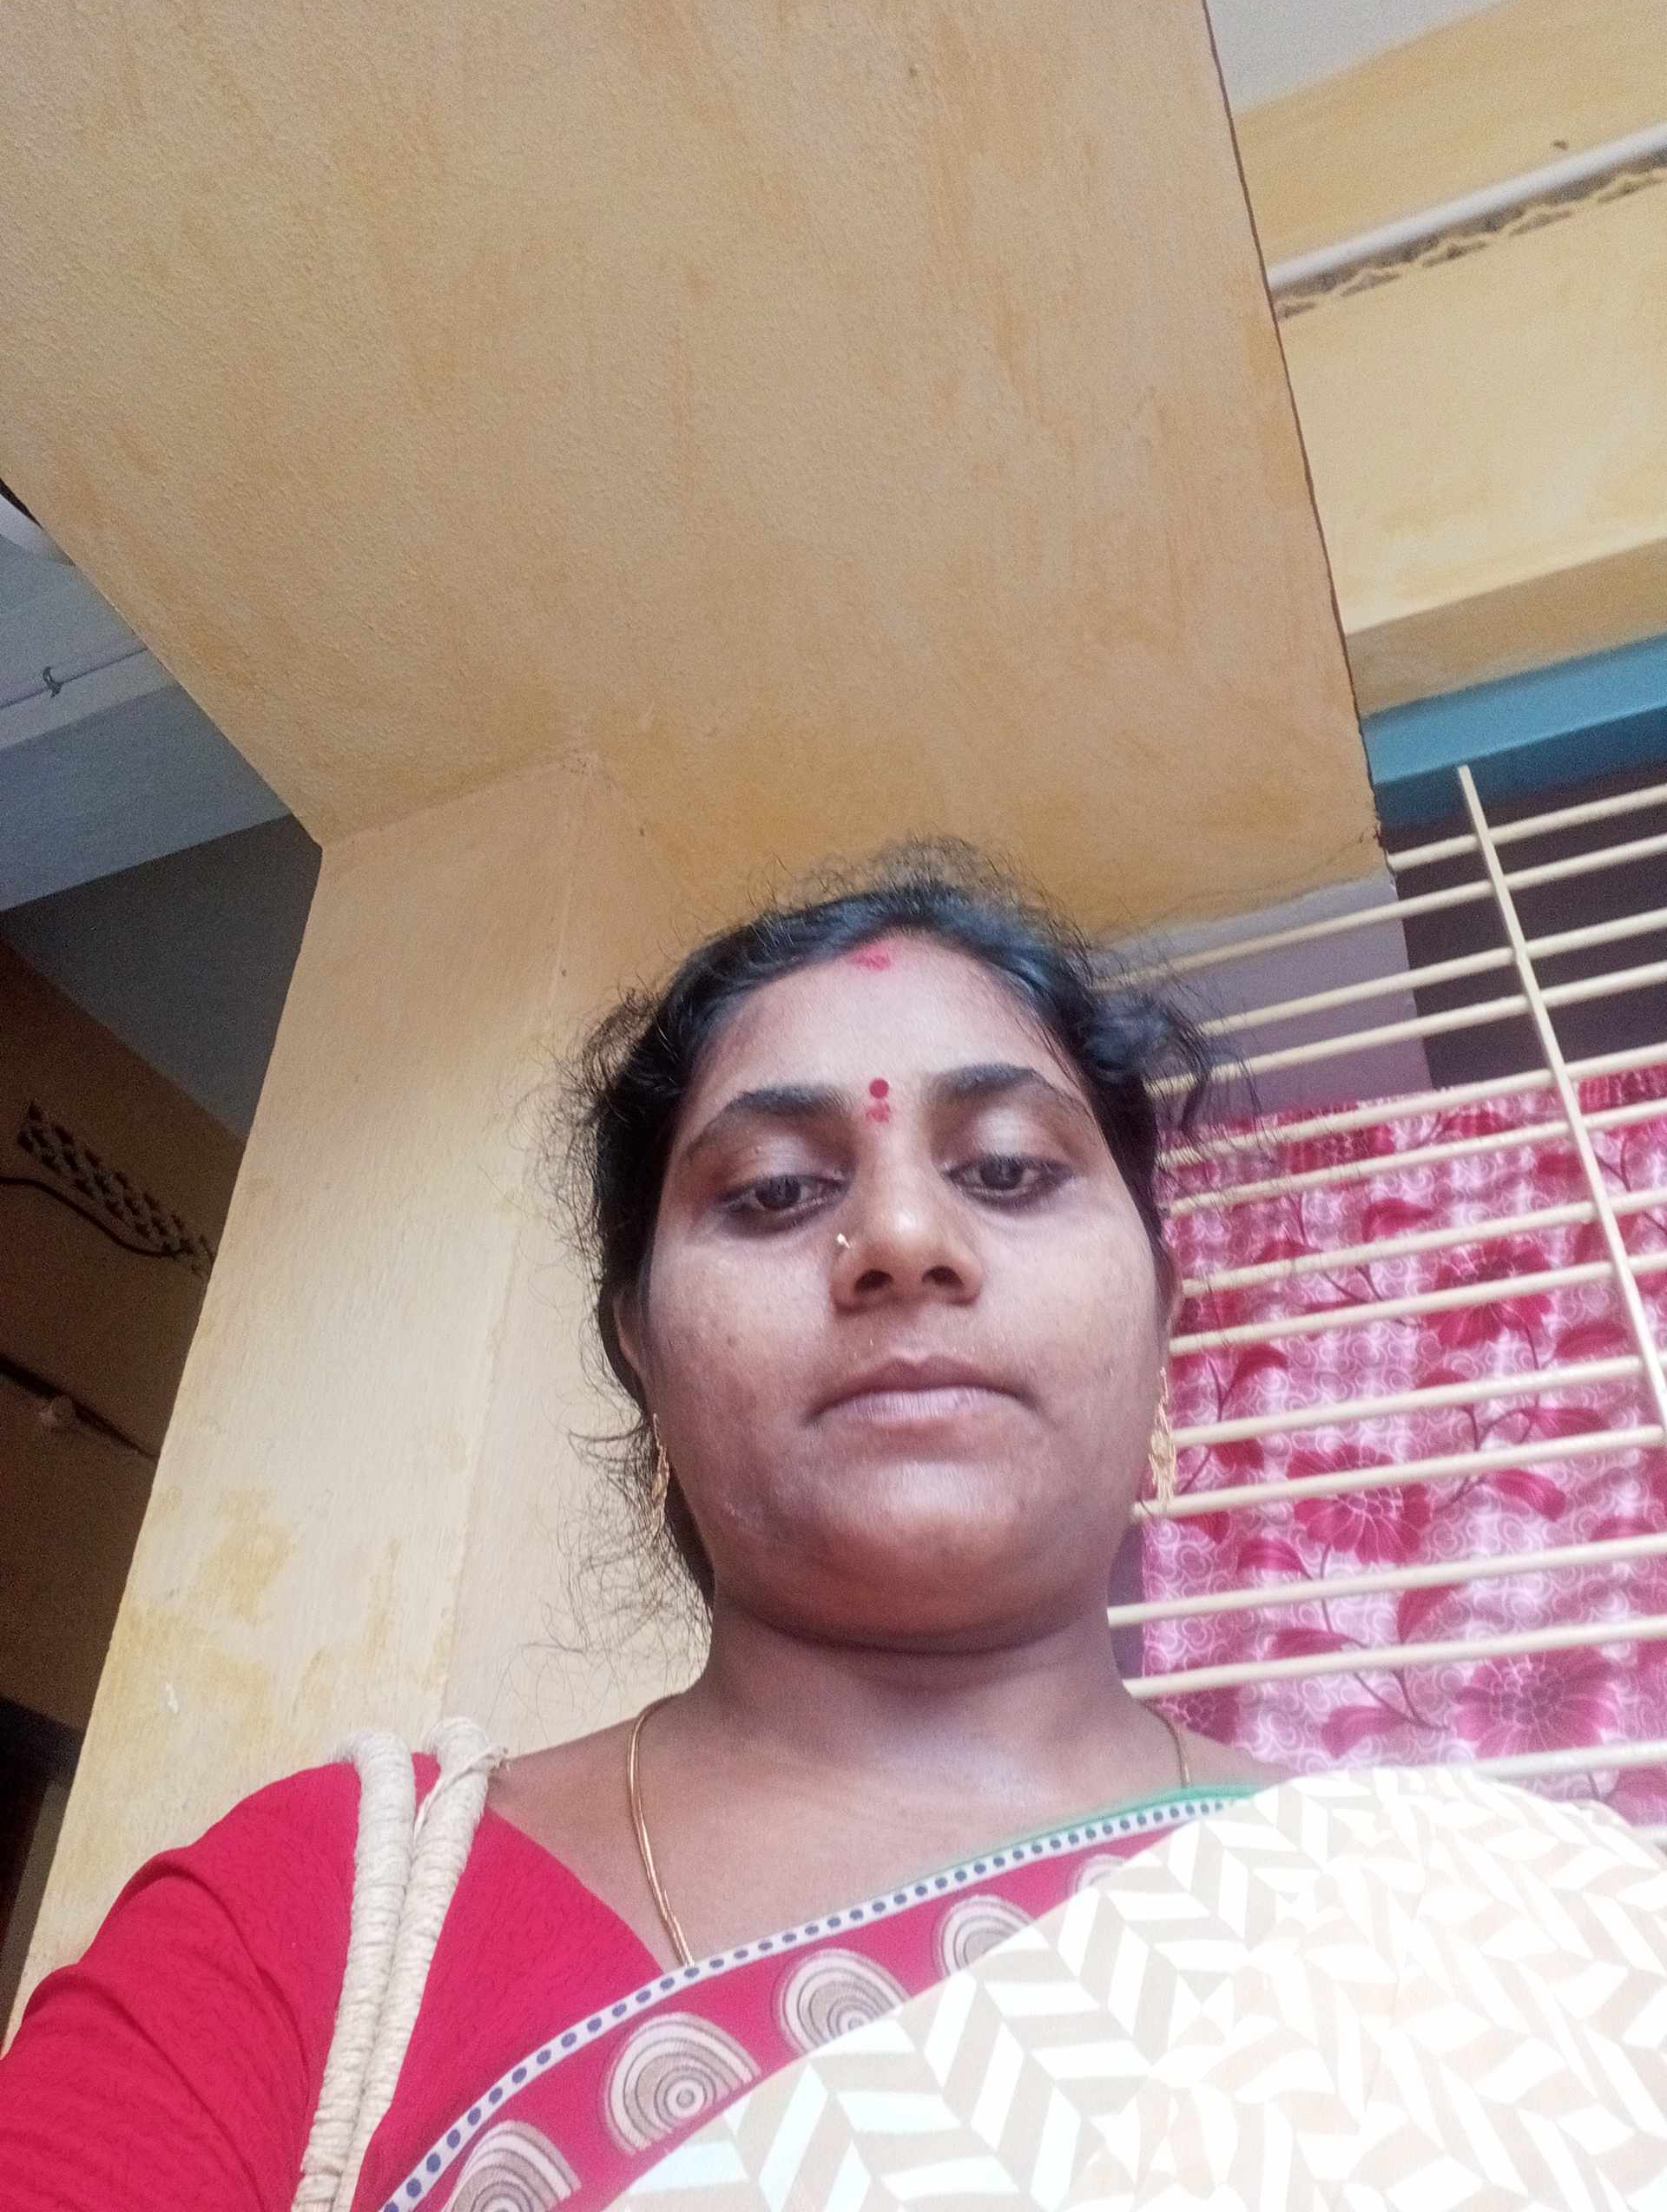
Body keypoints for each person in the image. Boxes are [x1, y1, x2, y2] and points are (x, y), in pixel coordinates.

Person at [10, 850, 1660, 2210]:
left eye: (1006, 1169)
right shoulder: (311, 1923)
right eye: (776, 1192)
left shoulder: (1477, 1938)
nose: (901, 1237)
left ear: (1166, 1322)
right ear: (644, 1353)